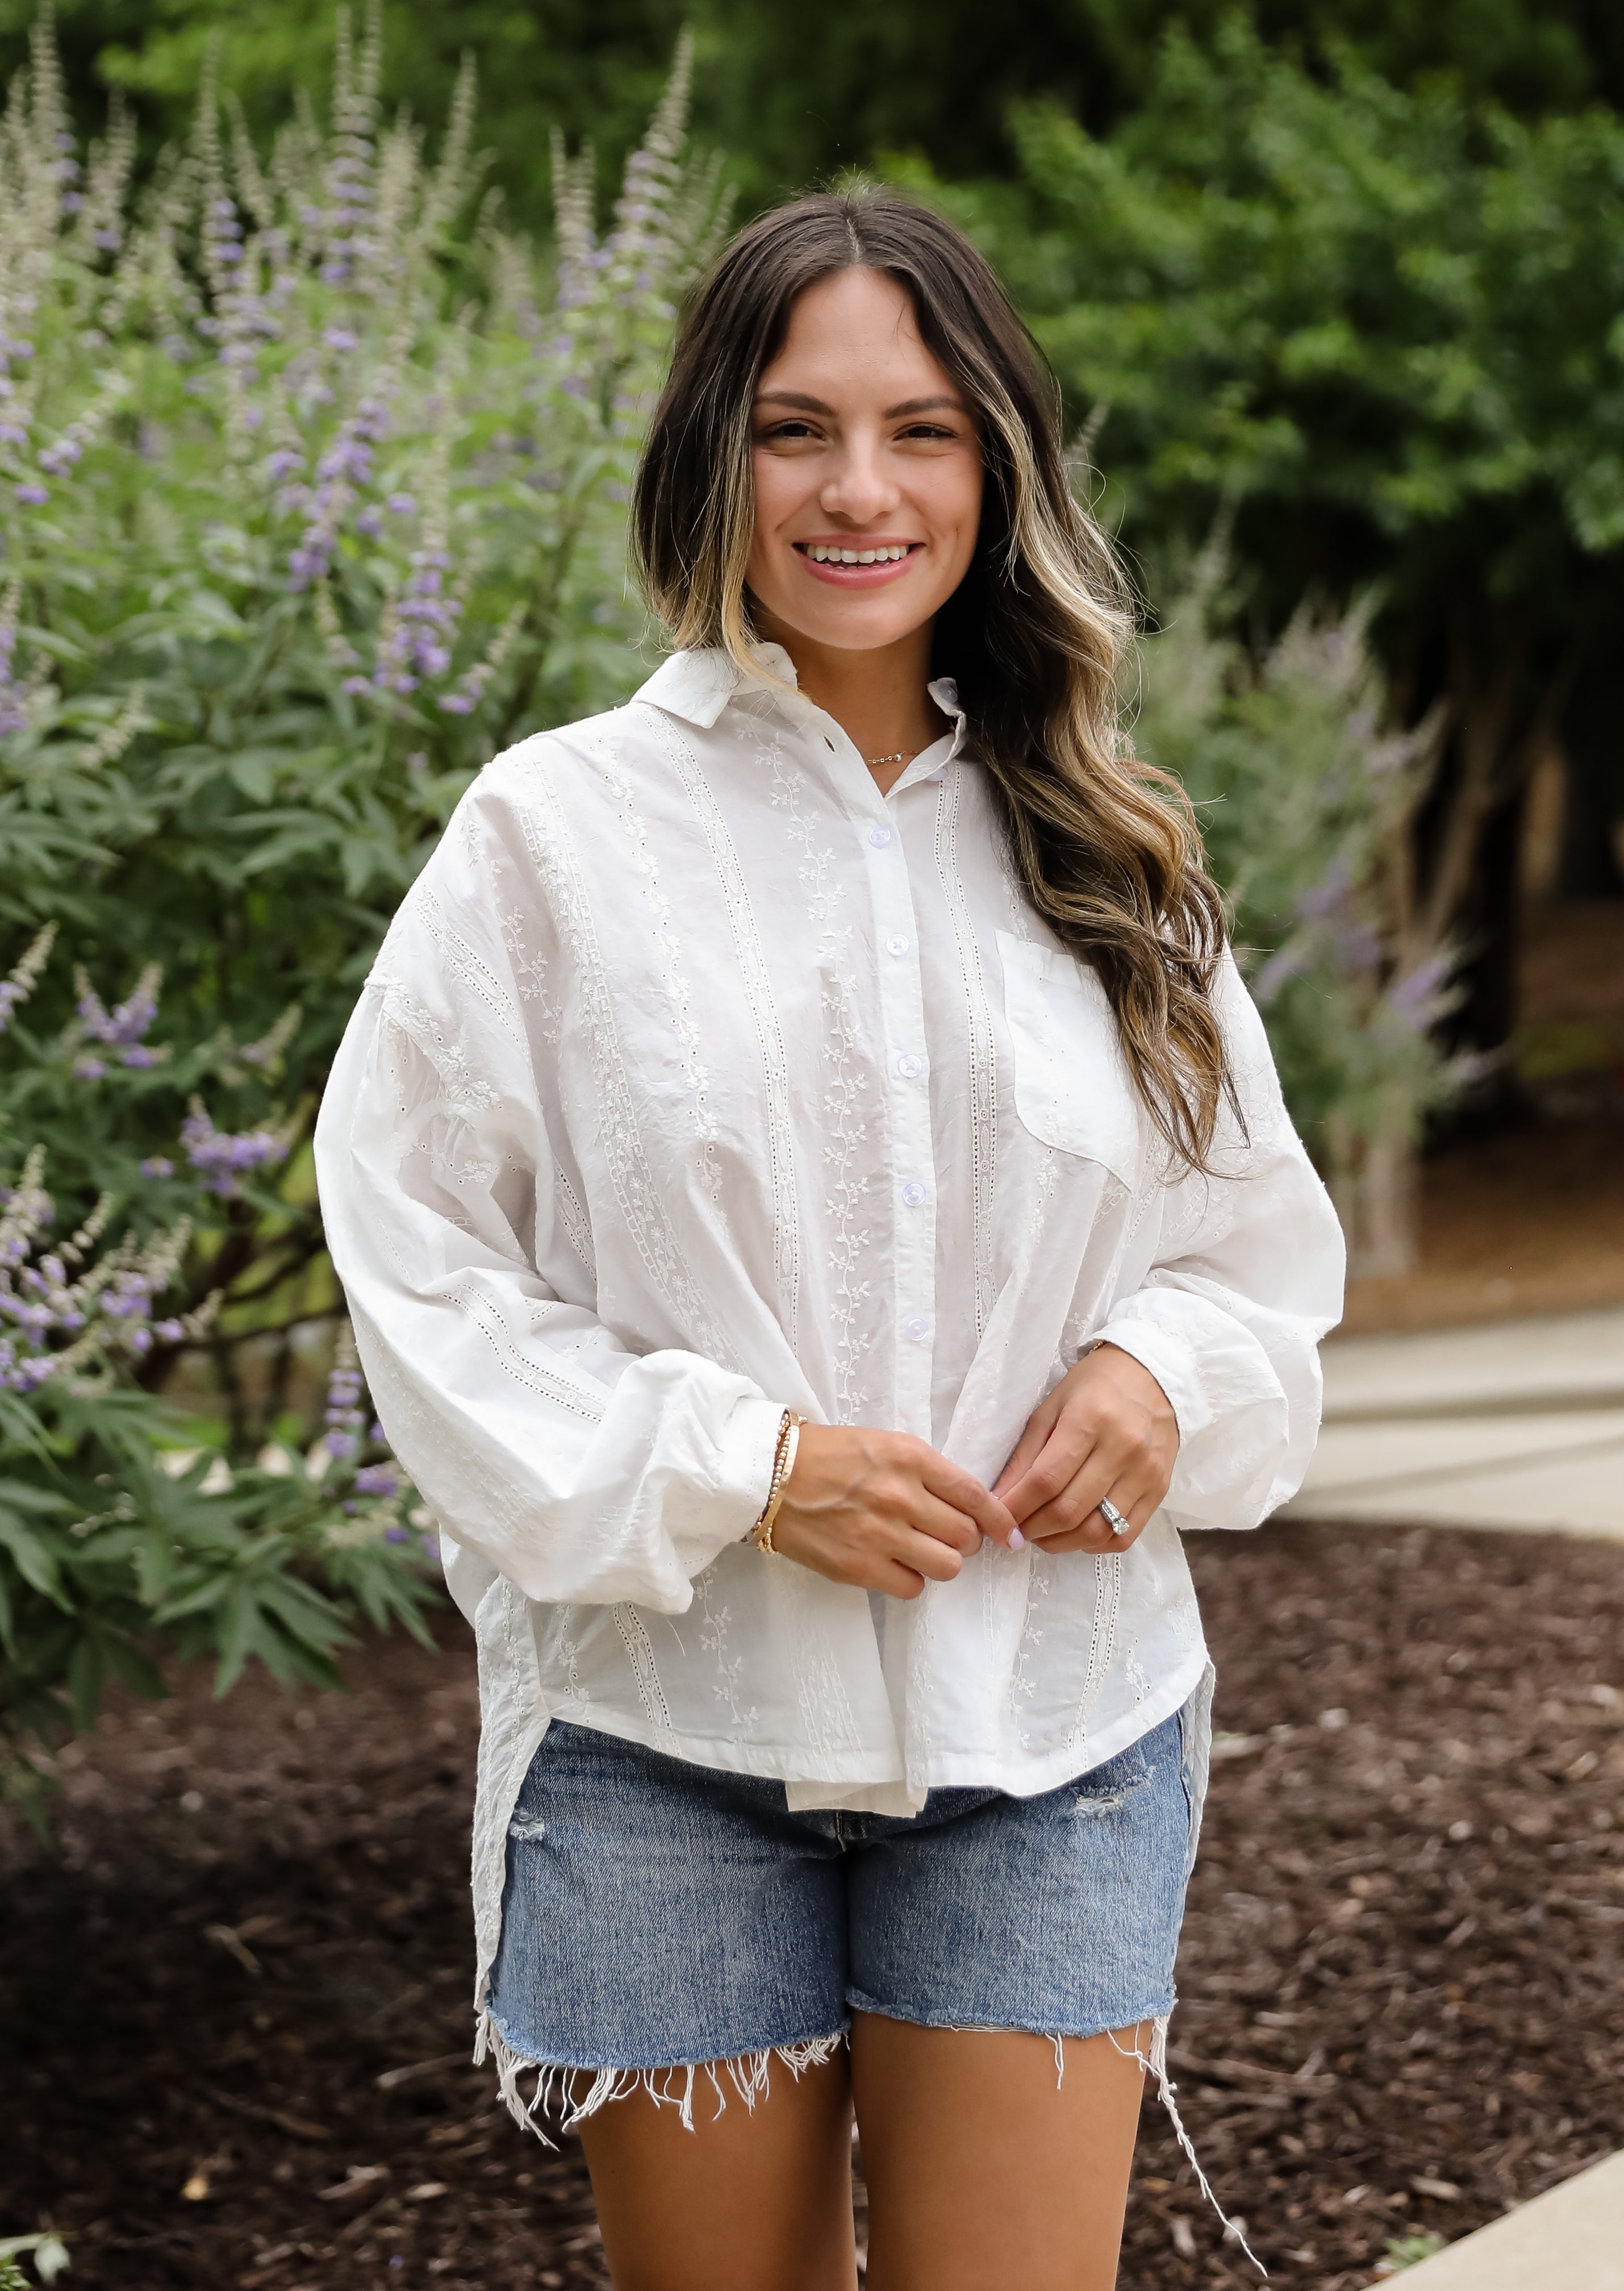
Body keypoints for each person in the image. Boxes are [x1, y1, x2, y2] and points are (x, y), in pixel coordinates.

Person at [315, 191, 1346, 2291]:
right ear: (714, 453)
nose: (857, 489)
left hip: (1051, 1721)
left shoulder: (1114, 854)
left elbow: (1252, 1256)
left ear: (996, 468)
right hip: (665, 1737)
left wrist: (1159, 1371)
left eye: (920, 430)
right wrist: (747, 1469)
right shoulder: (554, 837)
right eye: (796, 429)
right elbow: (418, 1259)